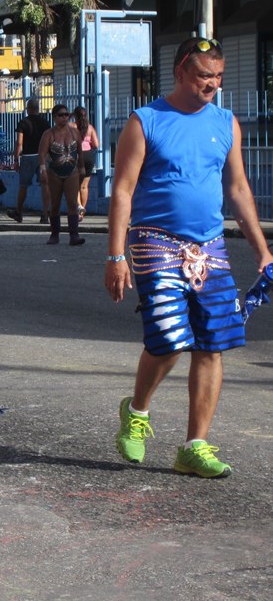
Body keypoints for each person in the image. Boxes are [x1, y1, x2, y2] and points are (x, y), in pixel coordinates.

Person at [106, 36, 273, 478]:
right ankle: (137, 412)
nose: (212, 84)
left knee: (213, 343)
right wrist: (114, 256)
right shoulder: (146, 121)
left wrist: (262, 251)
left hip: (210, 246)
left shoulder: (226, 123)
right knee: (168, 339)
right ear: (180, 71)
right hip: (153, 241)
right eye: (203, 75)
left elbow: (237, 190)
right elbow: (122, 190)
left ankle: (194, 446)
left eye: (218, 76)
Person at [37, 104, 85, 246]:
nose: (64, 118)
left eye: (66, 115)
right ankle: (54, 233)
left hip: (71, 171)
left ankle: (74, 235)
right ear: (54, 117)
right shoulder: (48, 134)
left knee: (72, 202)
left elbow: (80, 152)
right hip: (54, 172)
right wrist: (43, 170)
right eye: (61, 115)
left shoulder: (74, 133)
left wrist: (82, 168)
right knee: (55, 204)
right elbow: (42, 154)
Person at [6, 98, 51, 224]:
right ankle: (45, 214)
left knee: (23, 186)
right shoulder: (45, 123)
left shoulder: (23, 122)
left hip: (27, 158)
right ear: (38, 109)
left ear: (28, 109)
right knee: (45, 185)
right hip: (42, 156)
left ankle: (19, 212)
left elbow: (19, 143)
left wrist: (16, 159)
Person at [72, 106, 99, 219]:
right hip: (89, 156)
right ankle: (82, 212)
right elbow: (97, 144)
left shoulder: (72, 126)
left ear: (75, 116)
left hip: (78, 156)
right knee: (84, 186)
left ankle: (78, 208)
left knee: (74, 186)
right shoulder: (90, 128)